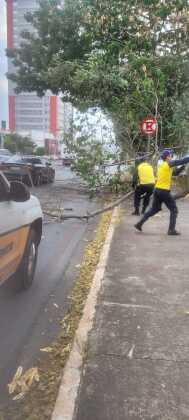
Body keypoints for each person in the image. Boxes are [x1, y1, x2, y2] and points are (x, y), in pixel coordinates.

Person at [134, 149, 189, 235]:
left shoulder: (164, 165)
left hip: (157, 190)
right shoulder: (168, 163)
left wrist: (183, 167)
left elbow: (175, 173)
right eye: (171, 155)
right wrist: (185, 161)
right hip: (163, 191)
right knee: (174, 209)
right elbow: (182, 160)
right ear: (167, 157)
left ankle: (139, 224)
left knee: (155, 209)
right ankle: (171, 230)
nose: (172, 157)